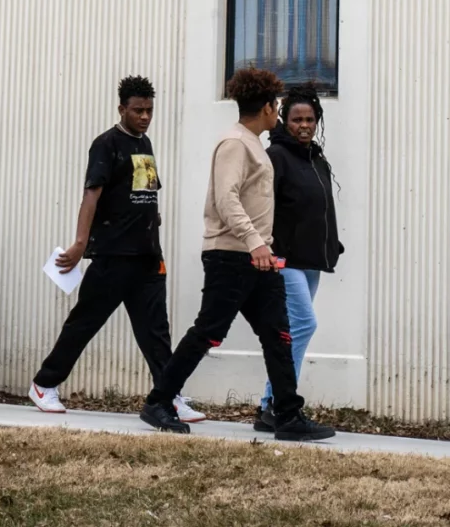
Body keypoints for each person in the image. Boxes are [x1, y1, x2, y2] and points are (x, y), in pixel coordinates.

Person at [138, 68, 335, 441]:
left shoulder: (252, 143)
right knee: (208, 332)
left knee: (279, 335)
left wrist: (264, 245)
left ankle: (286, 415)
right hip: (230, 256)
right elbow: (225, 199)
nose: (277, 113)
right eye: (275, 107)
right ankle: (159, 401)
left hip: (258, 259)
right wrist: (255, 242)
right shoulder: (235, 144)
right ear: (265, 107)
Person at [28, 76, 203, 424]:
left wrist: (151, 217)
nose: (144, 117)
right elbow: (91, 195)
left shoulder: (146, 143)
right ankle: (43, 385)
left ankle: (168, 396)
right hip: (113, 255)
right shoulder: (106, 144)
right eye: (137, 110)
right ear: (121, 108)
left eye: (149, 110)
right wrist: (80, 244)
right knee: (84, 323)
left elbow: (144, 191)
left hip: (148, 255)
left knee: (156, 332)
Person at [253, 84, 343, 432]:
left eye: (309, 119)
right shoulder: (276, 156)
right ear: (284, 122)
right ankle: (280, 404)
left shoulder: (315, 157)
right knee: (304, 325)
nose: (304, 125)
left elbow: (317, 210)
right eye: (296, 119)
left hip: (311, 261)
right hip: (284, 259)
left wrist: (331, 244)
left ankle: (268, 405)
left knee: (291, 332)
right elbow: (263, 207)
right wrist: (266, 249)